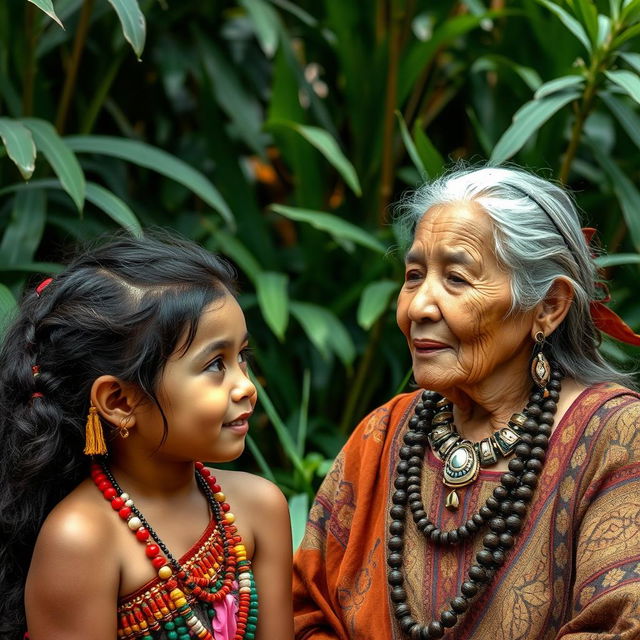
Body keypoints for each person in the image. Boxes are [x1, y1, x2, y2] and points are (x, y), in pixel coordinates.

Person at [292, 166, 640, 640]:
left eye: (456, 279)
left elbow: (621, 625)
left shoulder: (615, 436)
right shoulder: (383, 434)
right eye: (414, 275)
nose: (418, 307)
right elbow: (306, 611)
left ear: (549, 306)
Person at [0, 233, 294, 640]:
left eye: (242, 356)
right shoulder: (81, 540)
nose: (245, 386)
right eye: (214, 365)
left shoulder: (261, 508)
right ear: (119, 400)